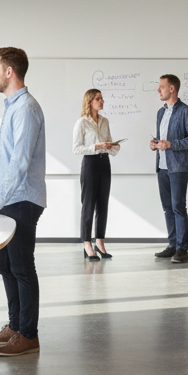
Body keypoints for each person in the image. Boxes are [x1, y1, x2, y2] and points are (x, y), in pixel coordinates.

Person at [0, 47, 46, 357]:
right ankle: (16, 325)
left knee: (21, 266)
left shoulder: (26, 109)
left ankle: (28, 335)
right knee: (4, 262)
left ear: (9, 72)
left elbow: (19, 161)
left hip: (22, 199)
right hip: (11, 199)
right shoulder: (13, 106)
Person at [150, 74, 188, 264]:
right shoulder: (160, 113)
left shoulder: (186, 111)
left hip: (178, 167)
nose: (158, 90)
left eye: (161, 86)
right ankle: (172, 245)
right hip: (162, 166)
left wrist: (170, 144)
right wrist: (155, 144)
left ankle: (182, 249)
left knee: (178, 207)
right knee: (167, 208)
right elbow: (162, 138)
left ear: (172, 88)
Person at [72, 88, 120, 261]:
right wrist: (96, 147)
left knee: (103, 205)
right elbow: (76, 148)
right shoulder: (82, 123)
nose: (102, 101)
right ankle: (86, 243)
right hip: (90, 164)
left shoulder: (105, 121)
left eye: (102, 98)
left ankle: (100, 242)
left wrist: (113, 147)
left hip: (104, 164)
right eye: (98, 98)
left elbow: (109, 142)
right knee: (88, 206)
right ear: (90, 101)